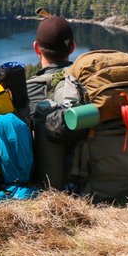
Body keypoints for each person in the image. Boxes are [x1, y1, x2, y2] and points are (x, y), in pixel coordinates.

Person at [25, 14, 78, 189]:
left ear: (36, 48)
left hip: (47, 185)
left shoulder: (26, 91)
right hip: (92, 179)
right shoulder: (87, 83)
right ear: (72, 48)